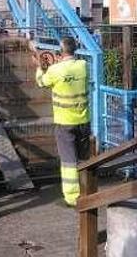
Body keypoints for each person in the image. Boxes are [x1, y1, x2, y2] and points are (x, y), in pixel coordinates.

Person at [35, 36, 90, 207]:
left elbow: (41, 82)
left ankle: (73, 197)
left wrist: (40, 66)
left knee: (68, 162)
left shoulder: (55, 71)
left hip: (64, 123)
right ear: (75, 49)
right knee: (83, 159)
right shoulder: (84, 66)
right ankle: (87, 190)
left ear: (60, 52)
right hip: (83, 120)